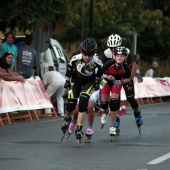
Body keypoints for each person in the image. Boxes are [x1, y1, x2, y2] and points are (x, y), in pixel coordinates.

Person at [61, 37, 103, 144]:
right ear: (82, 51)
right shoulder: (75, 58)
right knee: (71, 105)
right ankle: (67, 119)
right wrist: (67, 81)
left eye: (90, 55)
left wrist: (97, 82)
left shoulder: (97, 62)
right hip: (76, 80)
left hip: (89, 82)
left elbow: (100, 72)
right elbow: (69, 68)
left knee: (83, 103)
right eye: (85, 54)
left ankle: (79, 129)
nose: (87, 57)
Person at [100, 34, 143, 133]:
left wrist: (130, 79)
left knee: (130, 98)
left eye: (114, 48)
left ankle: (137, 113)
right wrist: (103, 78)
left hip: (126, 75)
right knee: (115, 100)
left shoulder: (126, 51)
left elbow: (133, 66)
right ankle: (116, 118)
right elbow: (101, 67)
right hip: (114, 78)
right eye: (111, 48)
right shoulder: (106, 53)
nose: (112, 50)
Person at [101, 46, 131, 137]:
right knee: (103, 104)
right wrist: (107, 76)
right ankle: (106, 112)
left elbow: (128, 78)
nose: (119, 58)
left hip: (117, 83)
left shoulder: (126, 67)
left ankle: (113, 125)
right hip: (106, 81)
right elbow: (99, 72)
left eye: (122, 56)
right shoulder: (109, 63)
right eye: (117, 56)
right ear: (114, 57)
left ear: (125, 57)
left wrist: (121, 81)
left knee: (113, 102)